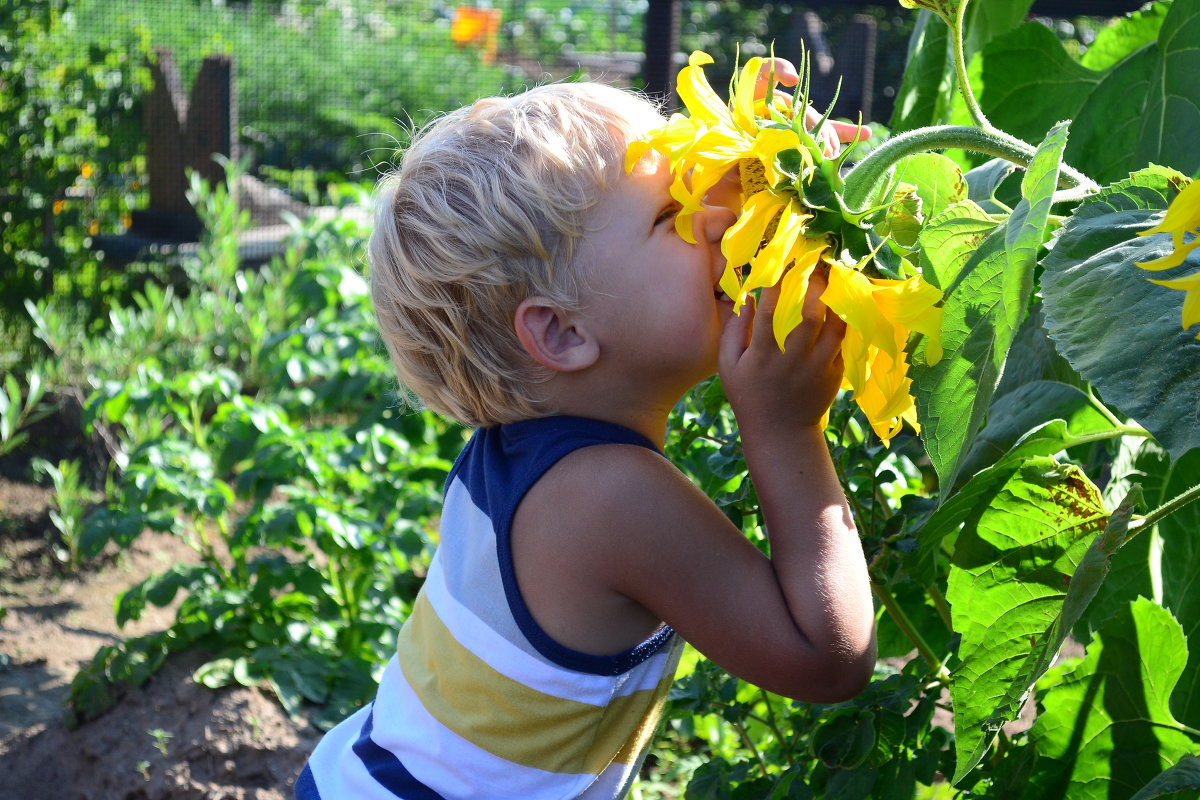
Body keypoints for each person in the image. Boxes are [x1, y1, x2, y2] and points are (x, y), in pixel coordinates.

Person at [297, 60, 876, 800]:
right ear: (563, 333)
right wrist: (788, 427)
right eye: (672, 216)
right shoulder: (609, 499)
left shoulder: (536, 455)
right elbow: (826, 659)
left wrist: (767, 166)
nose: (716, 221)